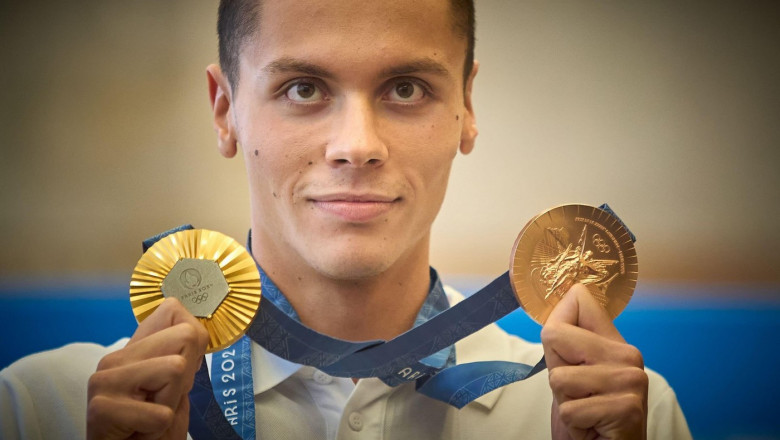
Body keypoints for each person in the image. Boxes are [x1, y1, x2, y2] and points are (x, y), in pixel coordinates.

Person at [0, 0, 692, 439]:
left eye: (405, 87)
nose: (356, 144)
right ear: (224, 109)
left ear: (467, 107)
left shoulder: (618, 413)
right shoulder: (40, 410)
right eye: (303, 88)